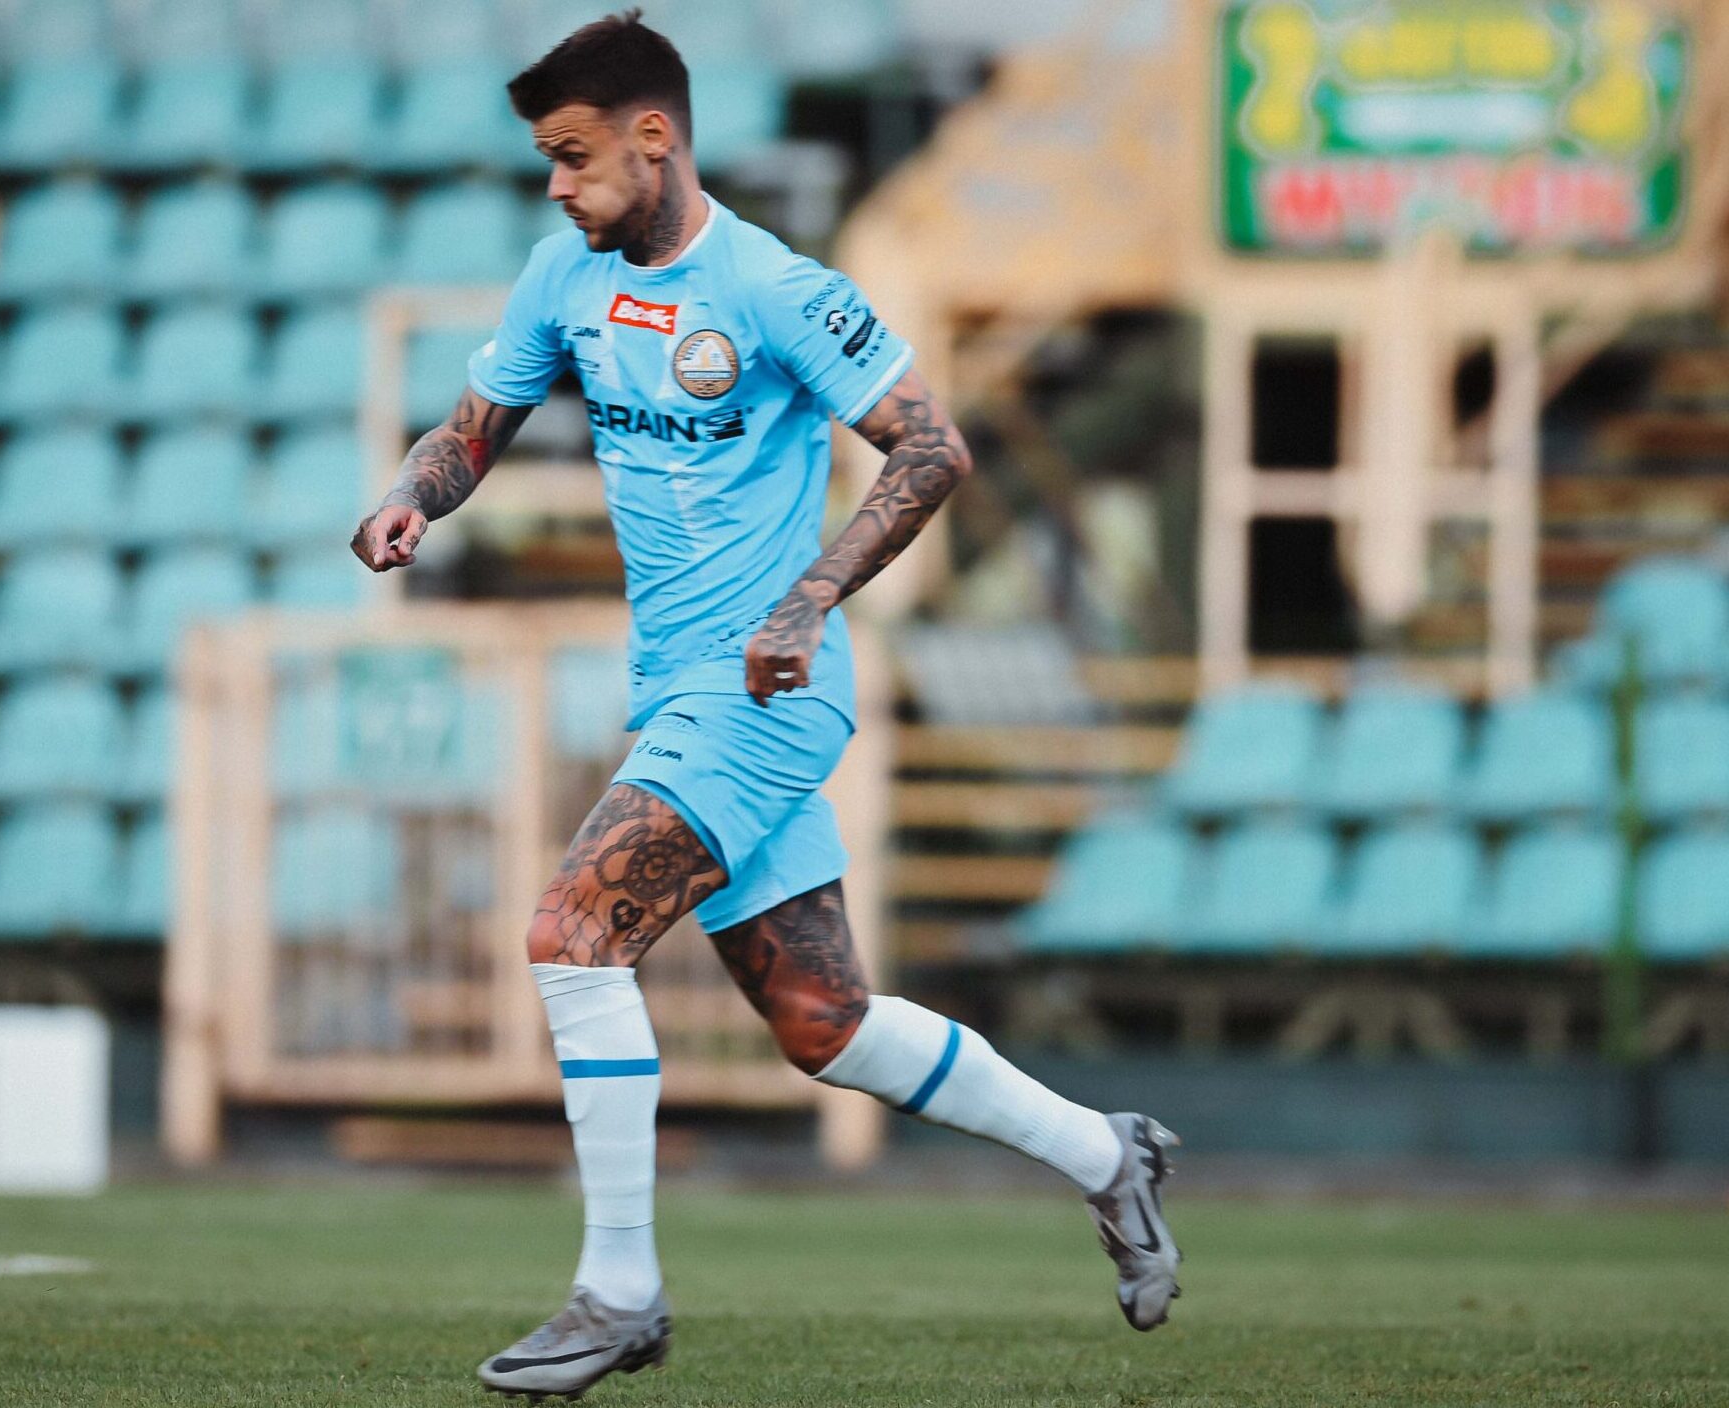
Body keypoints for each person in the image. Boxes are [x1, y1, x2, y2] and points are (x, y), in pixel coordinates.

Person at [350, 13, 1181, 1398]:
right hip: (679, 691)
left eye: (572, 157)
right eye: (546, 162)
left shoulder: (779, 290)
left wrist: (810, 598)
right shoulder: (564, 276)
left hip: (766, 691)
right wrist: (409, 496)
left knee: (573, 936)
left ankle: (620, 1291)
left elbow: (933, 446)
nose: (556, 186)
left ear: (652, 138)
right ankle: (1112, 1156)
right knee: (825, 1024)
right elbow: (472, 429)